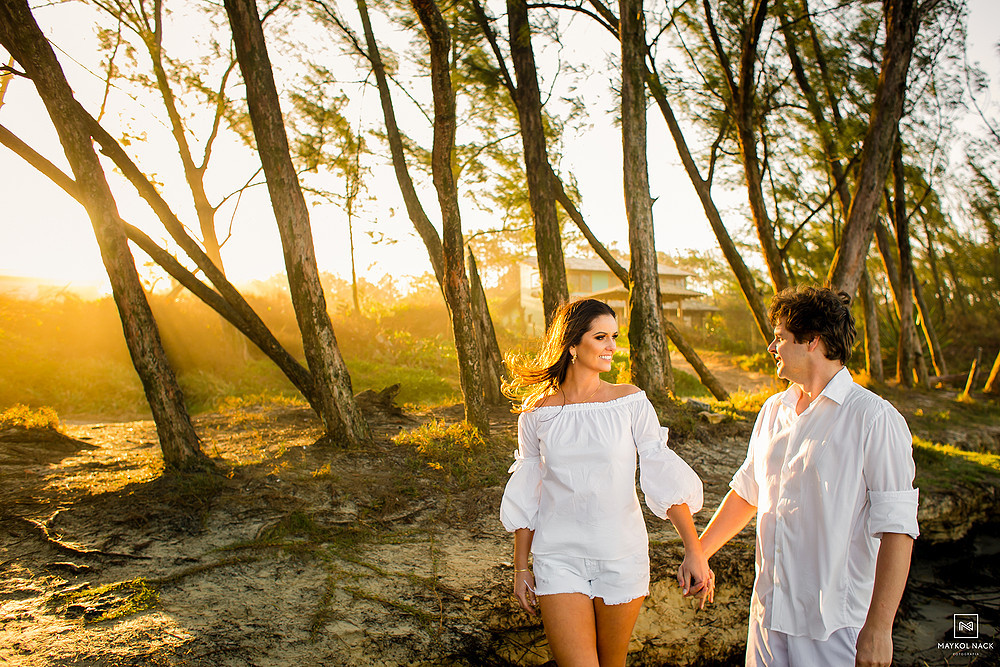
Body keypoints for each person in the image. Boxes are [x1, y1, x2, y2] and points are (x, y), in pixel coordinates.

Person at [696, 286, 919, 667]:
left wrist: (879, 629)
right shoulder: (773, 410)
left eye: (780, 337)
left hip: (834, 628)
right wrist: (698, 553)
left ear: (813, 341)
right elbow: (748, 492)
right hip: (767, 617)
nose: (771, 347)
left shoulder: (874, 419)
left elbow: (898, 528)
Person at [499, 298, 713, 667]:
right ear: (571, 344)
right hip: (559, 558)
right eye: (601, 337)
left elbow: (660, 470)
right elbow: (527, 492)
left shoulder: (629, 401)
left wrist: (694, 549)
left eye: (614, 336)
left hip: (621, 555)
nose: (612, 346)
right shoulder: (537, 414)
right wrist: (521, 567)